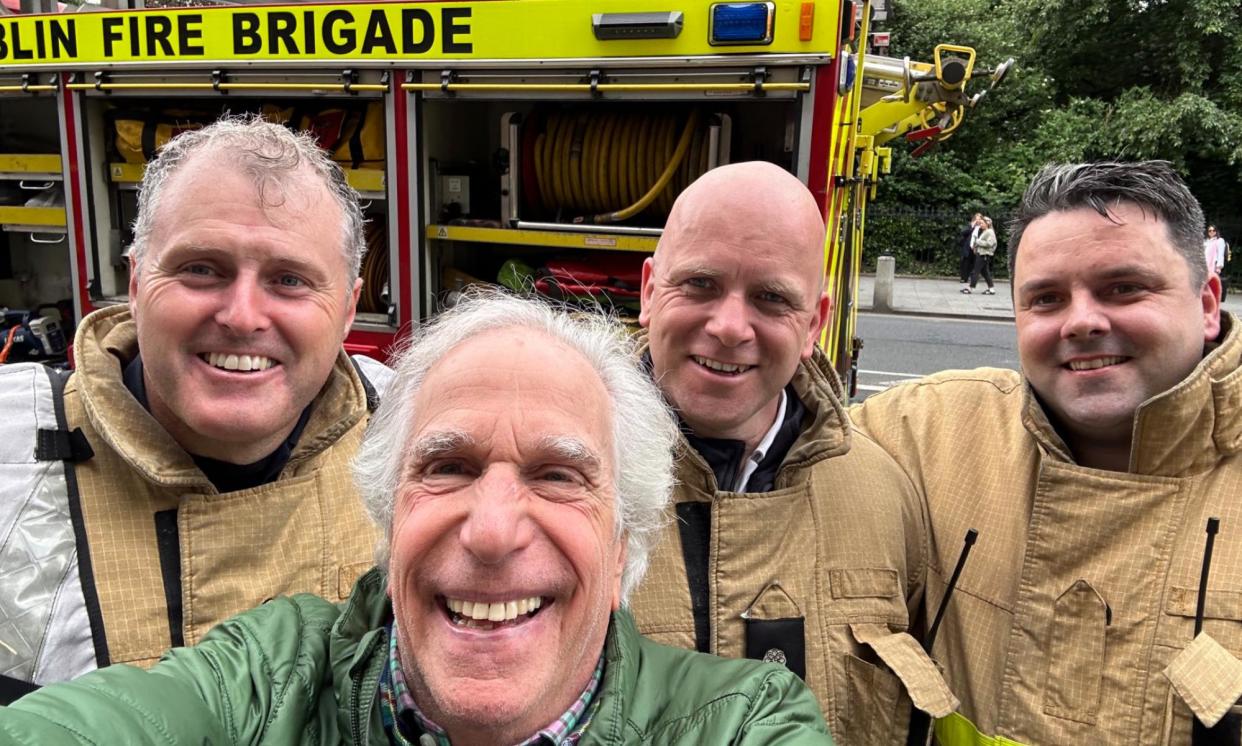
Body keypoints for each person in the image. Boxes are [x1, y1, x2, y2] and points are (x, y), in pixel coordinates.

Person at [0, 290, 833, 746]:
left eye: (556, 475)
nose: (493, 529)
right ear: (388, 517)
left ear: (622, 551)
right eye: (447, 468)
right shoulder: (270, 678)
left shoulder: (741, 723)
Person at [0, 116, 389, 700]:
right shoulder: (12, 457)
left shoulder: (407, 433)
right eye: (201, 269)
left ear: (348, 309)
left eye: (289, 279)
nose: (241, 315)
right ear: (135, 283)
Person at [851, 161, 1237, 745]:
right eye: (1047, 298)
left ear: (1207, 303)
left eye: (1124, 288)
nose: (1081, 321)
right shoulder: (925, 431)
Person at [631, 161, 951, 744]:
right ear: (650, 290)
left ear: (814, 325)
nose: (730, 327)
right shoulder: (560, 477)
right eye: (700, 283)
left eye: (771, 298)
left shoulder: (887, 498)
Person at [968, 216, 998, 295]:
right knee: (985, 272)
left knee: (976, 271)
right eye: (980, 223)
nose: (980, 225)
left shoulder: (990, 232)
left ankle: (970, 288)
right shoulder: (985, 231)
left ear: (987, 224)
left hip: (984, 254)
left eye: (982, 223)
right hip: (982, 253)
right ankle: (991, 289)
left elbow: (990, 243)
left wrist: (978, 242)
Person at [959, 213, 983, 290]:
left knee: (975, 263)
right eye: (977, 218)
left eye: (979, 219)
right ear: (974, 219)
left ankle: (972, 278)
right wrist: (972, 227)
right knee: (965, 262)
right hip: (968, 247)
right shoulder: (970, 226)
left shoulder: (982, 227)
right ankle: (963, 278)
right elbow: (963, 233)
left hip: (977, 248)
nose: (978, 220)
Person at [1205, 224, 1229, 299]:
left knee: (1211, 282)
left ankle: (1212, 298)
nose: (1212, 232)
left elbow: (1220, 254)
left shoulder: (1219, 241)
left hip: (1212, 265)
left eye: (1213, 230)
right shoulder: (1206, 241)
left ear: (1216, 231)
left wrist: (1219, 266)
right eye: (1210, 230)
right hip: (1204, 264)